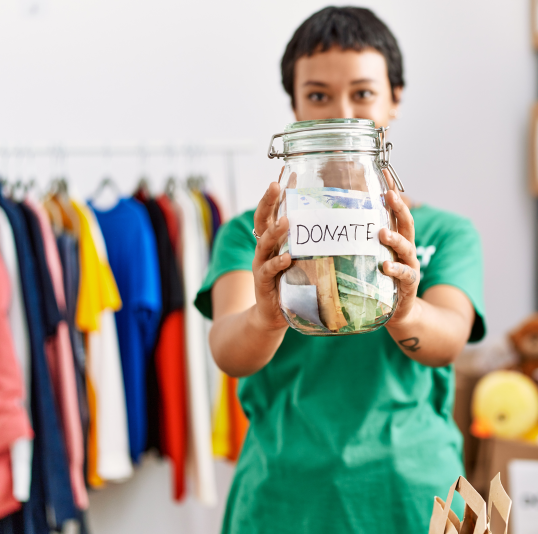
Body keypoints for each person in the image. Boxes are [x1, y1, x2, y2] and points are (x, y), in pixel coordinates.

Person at [194, 6, 485, 533]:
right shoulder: (251, 234)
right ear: (295, 109)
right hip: (283, 499)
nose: (341, 114)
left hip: (411, 496)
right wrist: (266, 313)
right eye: (319, 95)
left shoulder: (443, 233)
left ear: (395, 100)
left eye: (364, 93)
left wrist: (404, 308)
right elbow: (228, 351)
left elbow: (448, 342)